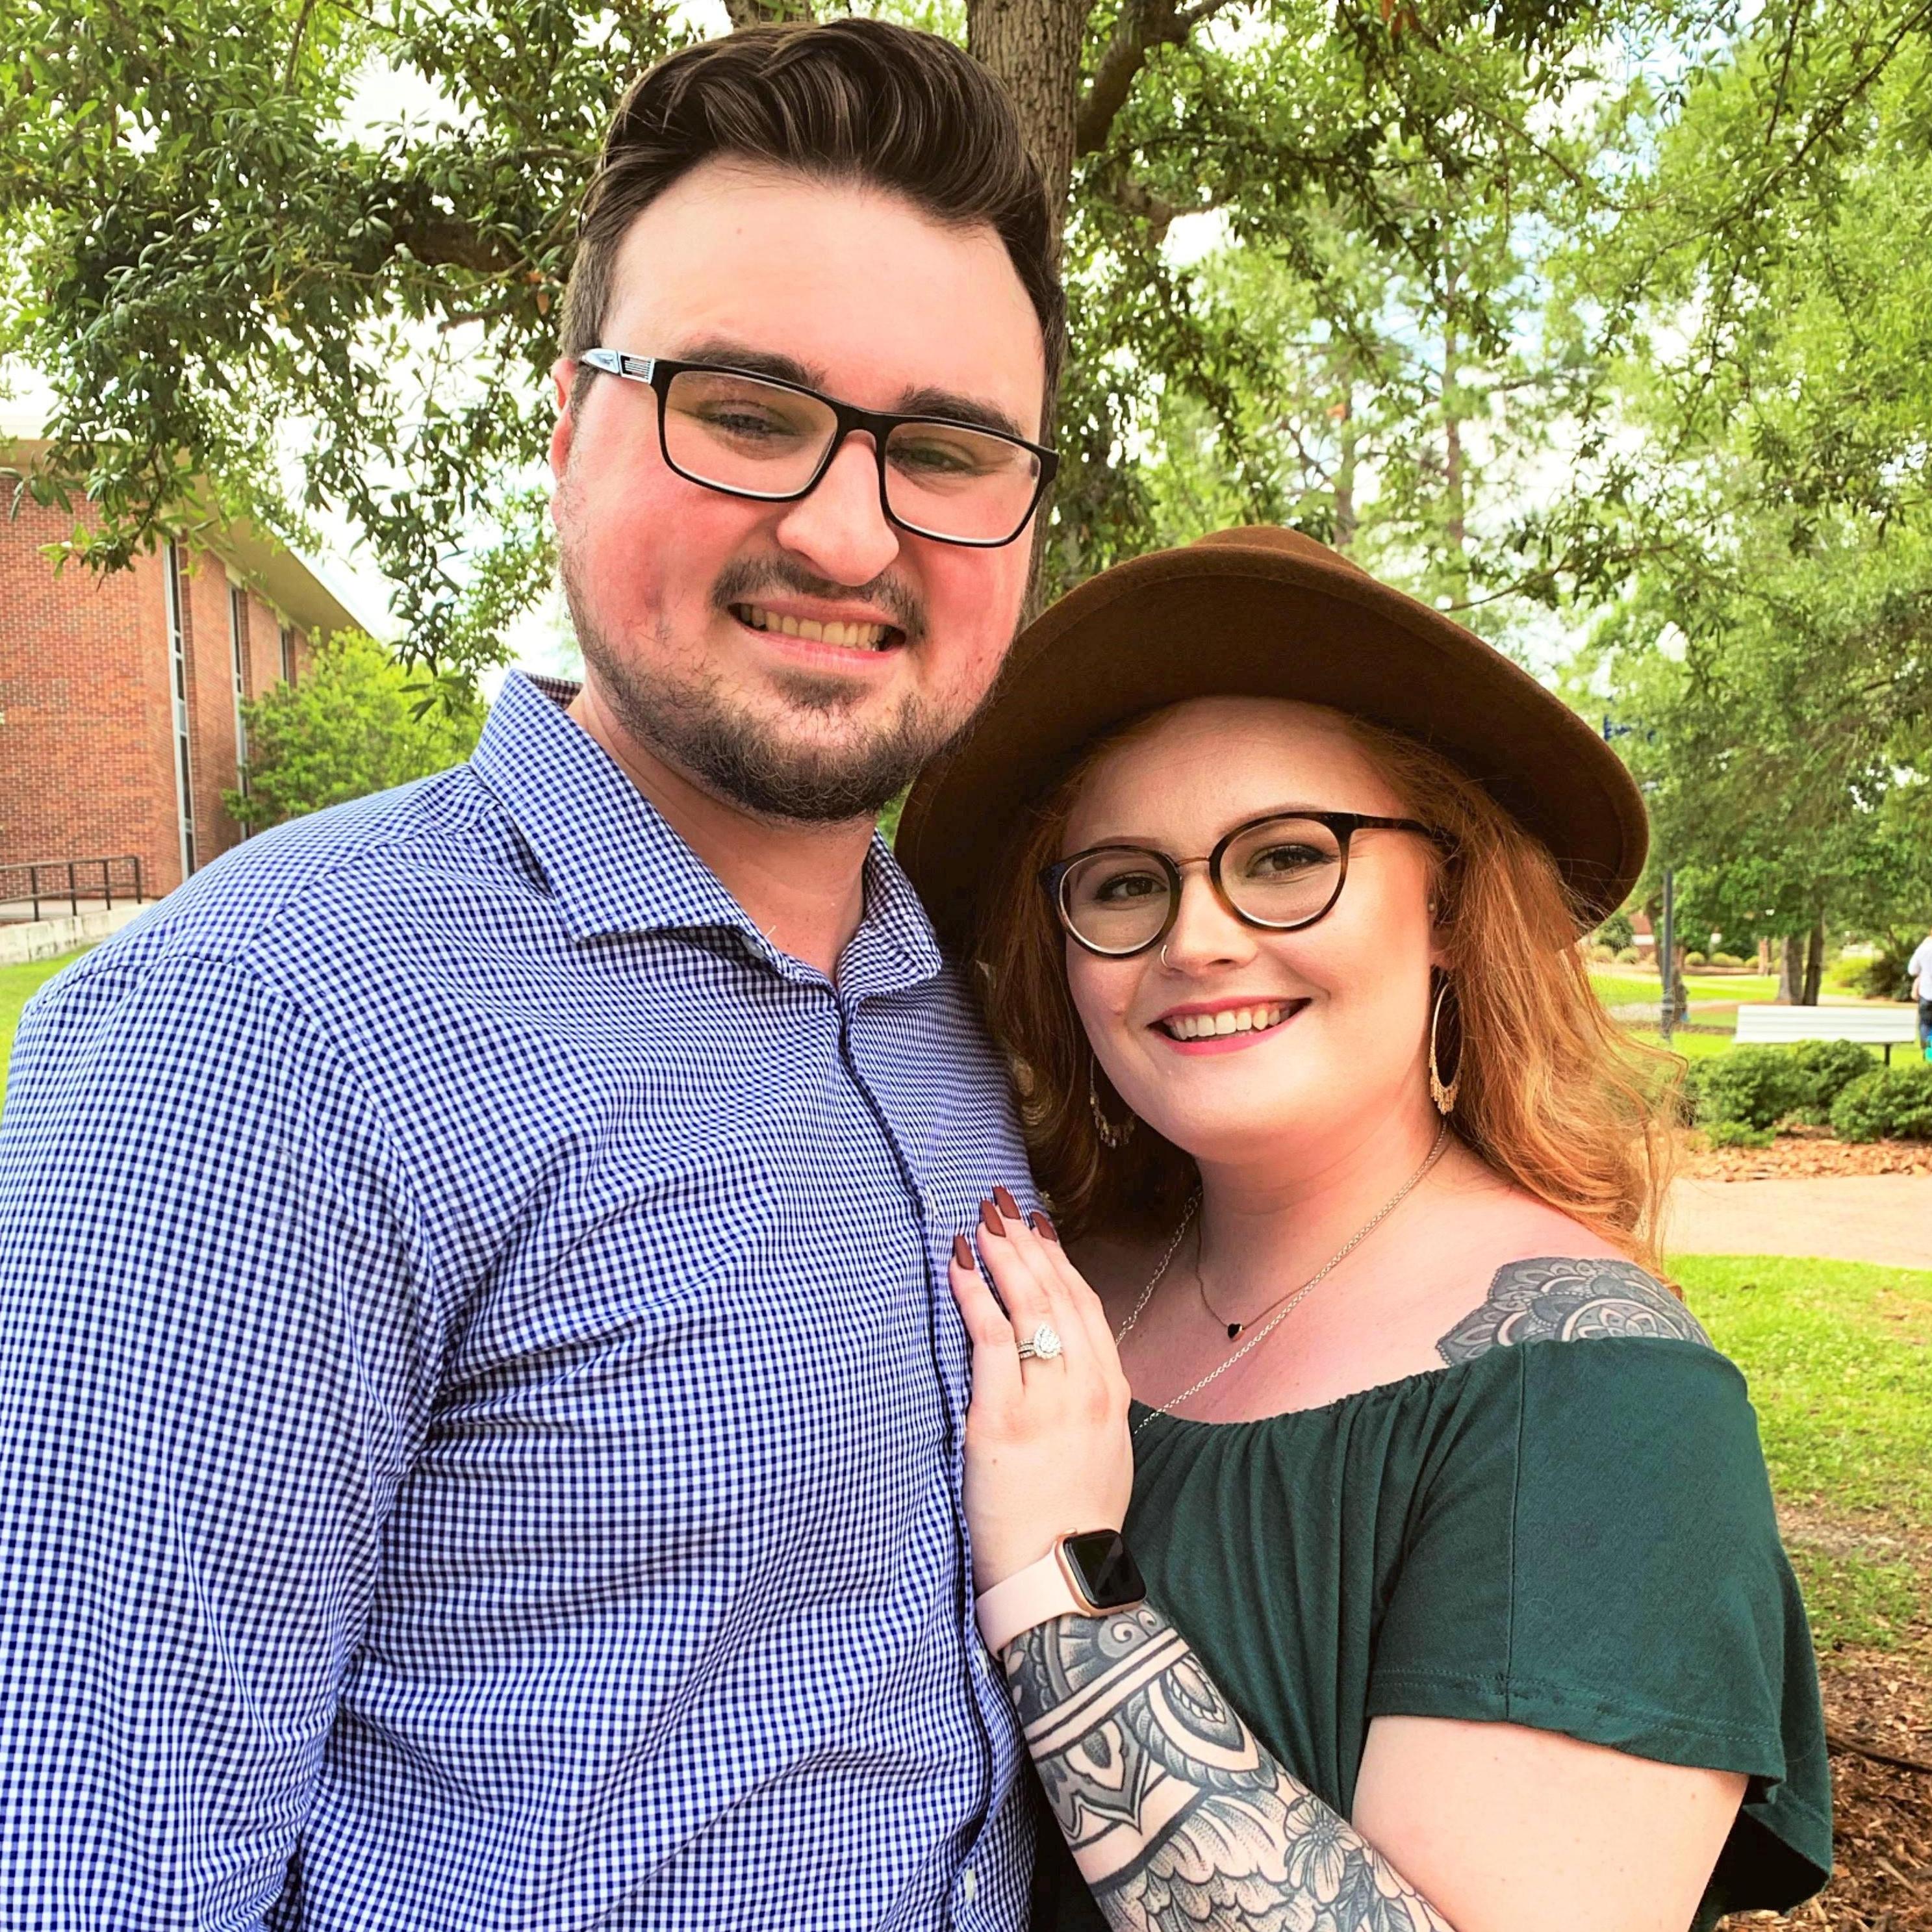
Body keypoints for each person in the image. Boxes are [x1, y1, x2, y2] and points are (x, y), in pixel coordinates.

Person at [0, 21, 1061, 1926]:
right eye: (744, 410)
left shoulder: (983, 1006)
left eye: (947, 447)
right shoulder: (251, 1044)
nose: (845, 526)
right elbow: (93, 1871)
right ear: (568, 421)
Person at [896, 527, 1831, 1932]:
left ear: (1447, 902)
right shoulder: (1047, 1279)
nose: (1196, 936)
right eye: (1121, 881)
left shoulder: (1601, 1406)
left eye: (1283, 856)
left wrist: (1059, 1584)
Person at [1911, 923, 1932, 1055]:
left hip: (1927, 995)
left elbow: (1912, 970)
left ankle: (1930, 1058)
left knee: (1926, 1025)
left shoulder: (1924, 949)